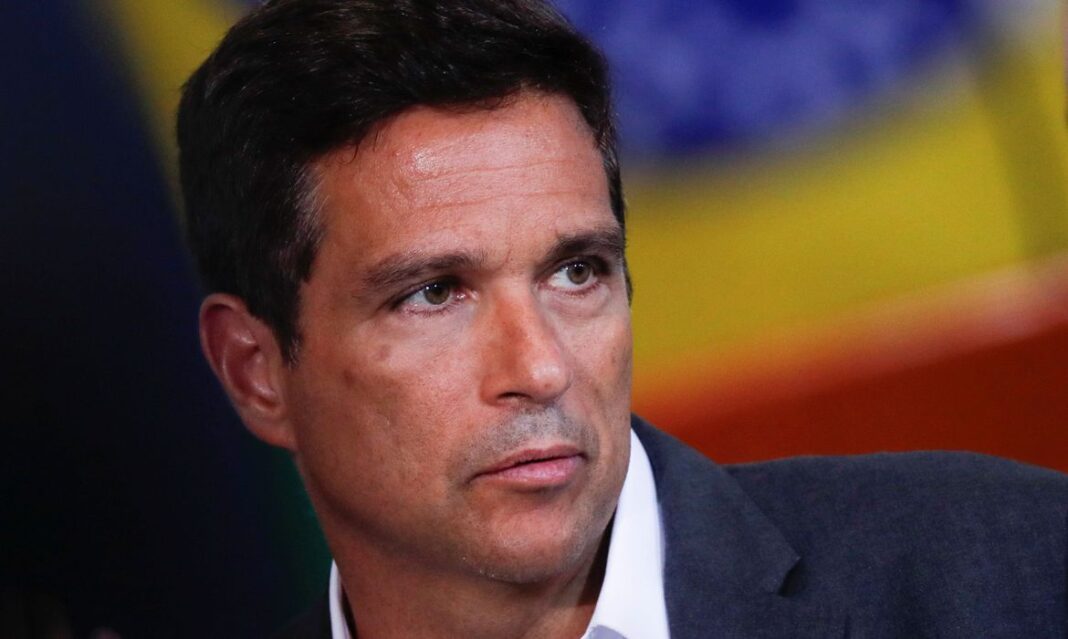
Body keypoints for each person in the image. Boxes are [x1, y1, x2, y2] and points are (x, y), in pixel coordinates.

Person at [177, 1, 1068, 637]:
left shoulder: (1008, 571)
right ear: (257, 371)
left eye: (577, 272)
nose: (541, 367)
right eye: (434, 293)